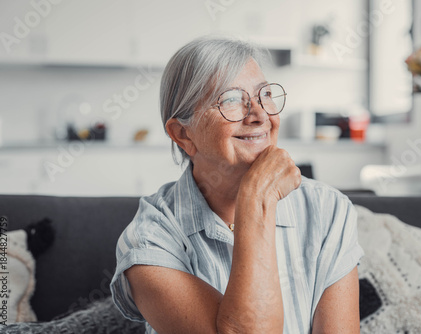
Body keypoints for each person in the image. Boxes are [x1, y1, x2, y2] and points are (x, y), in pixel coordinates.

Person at [110, 36, 364, 334]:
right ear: (183, 134)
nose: (259, 116)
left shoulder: (328, 209)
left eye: (265, 94)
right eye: (231, 99)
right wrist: (258, 199)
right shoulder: (149, 240)